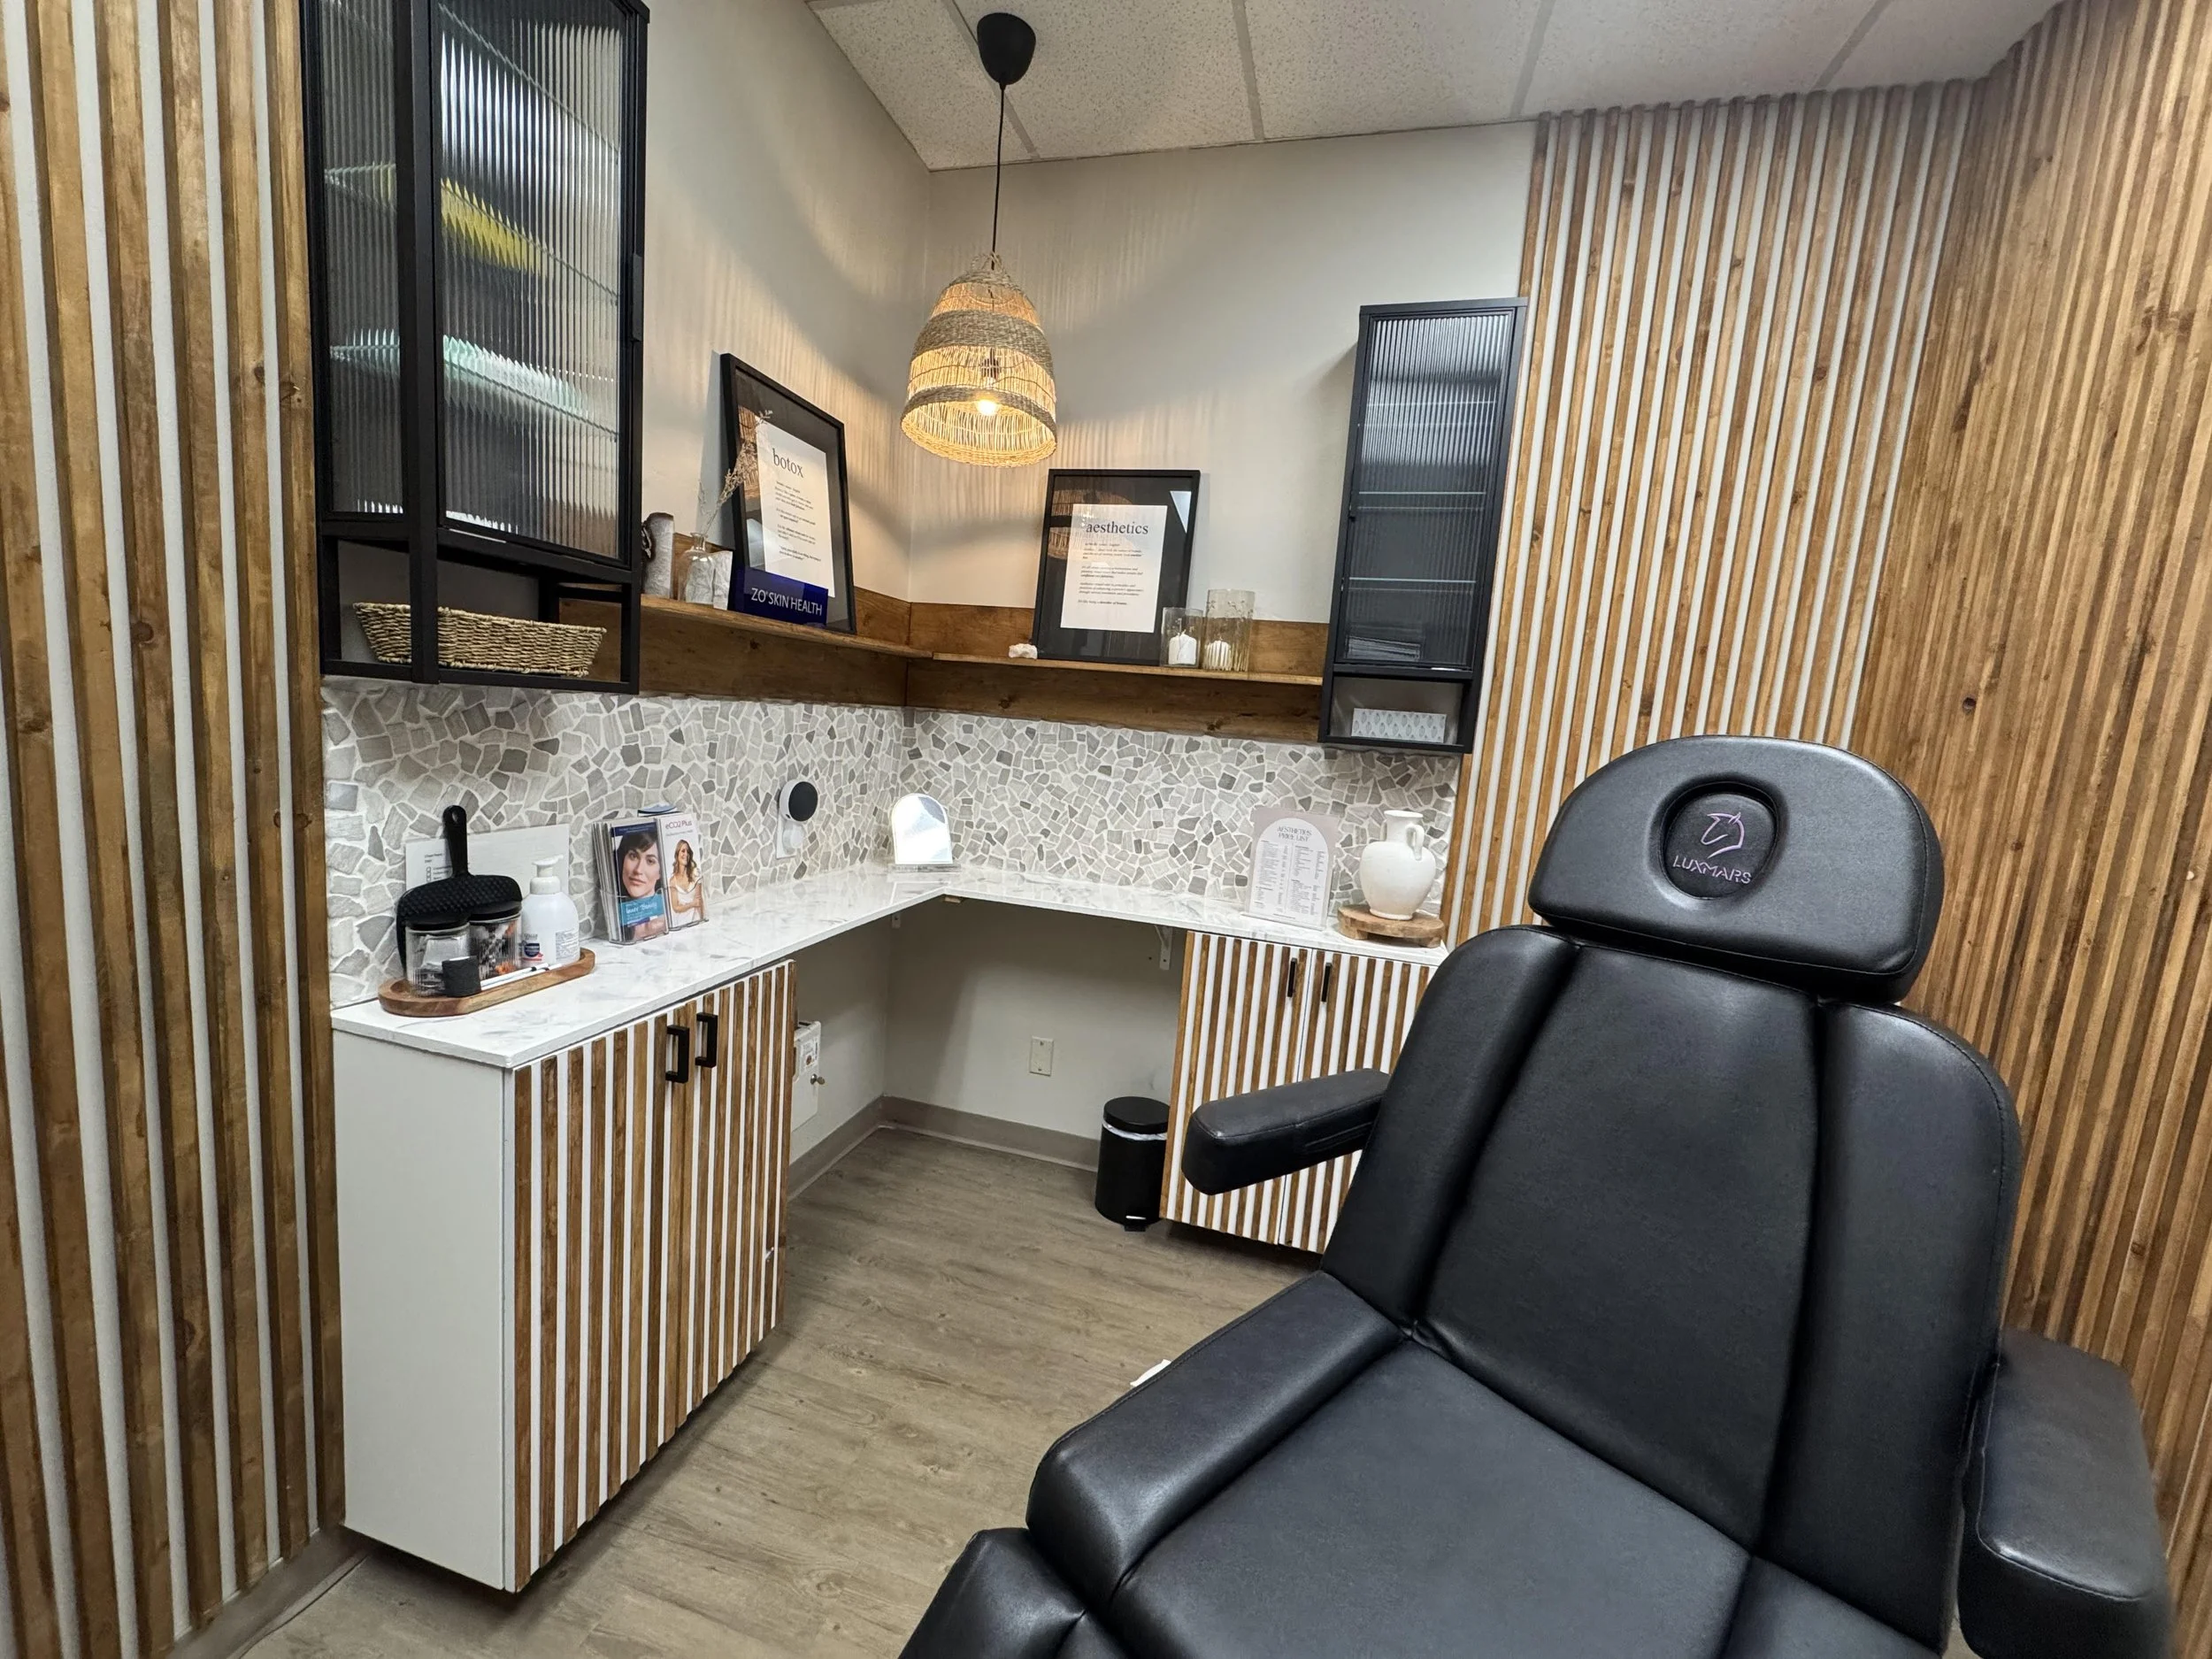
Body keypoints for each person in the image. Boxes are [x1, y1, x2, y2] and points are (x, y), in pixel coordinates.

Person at [615, 827, 666, 941]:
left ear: (661, 872)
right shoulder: (614, 922)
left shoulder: (669, 922)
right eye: (633, 856)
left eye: (650, 861)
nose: (638, 870)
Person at [666, 839, 705, 927]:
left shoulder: (696, 873)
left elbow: (699, 902)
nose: (686, 854)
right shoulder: (673, 881)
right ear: (677, 854)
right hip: (681, 923)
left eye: (688, 851)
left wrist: (702, 921)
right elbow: (676, 908)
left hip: (696, 921)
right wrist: (692, 904)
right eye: (683, 851)